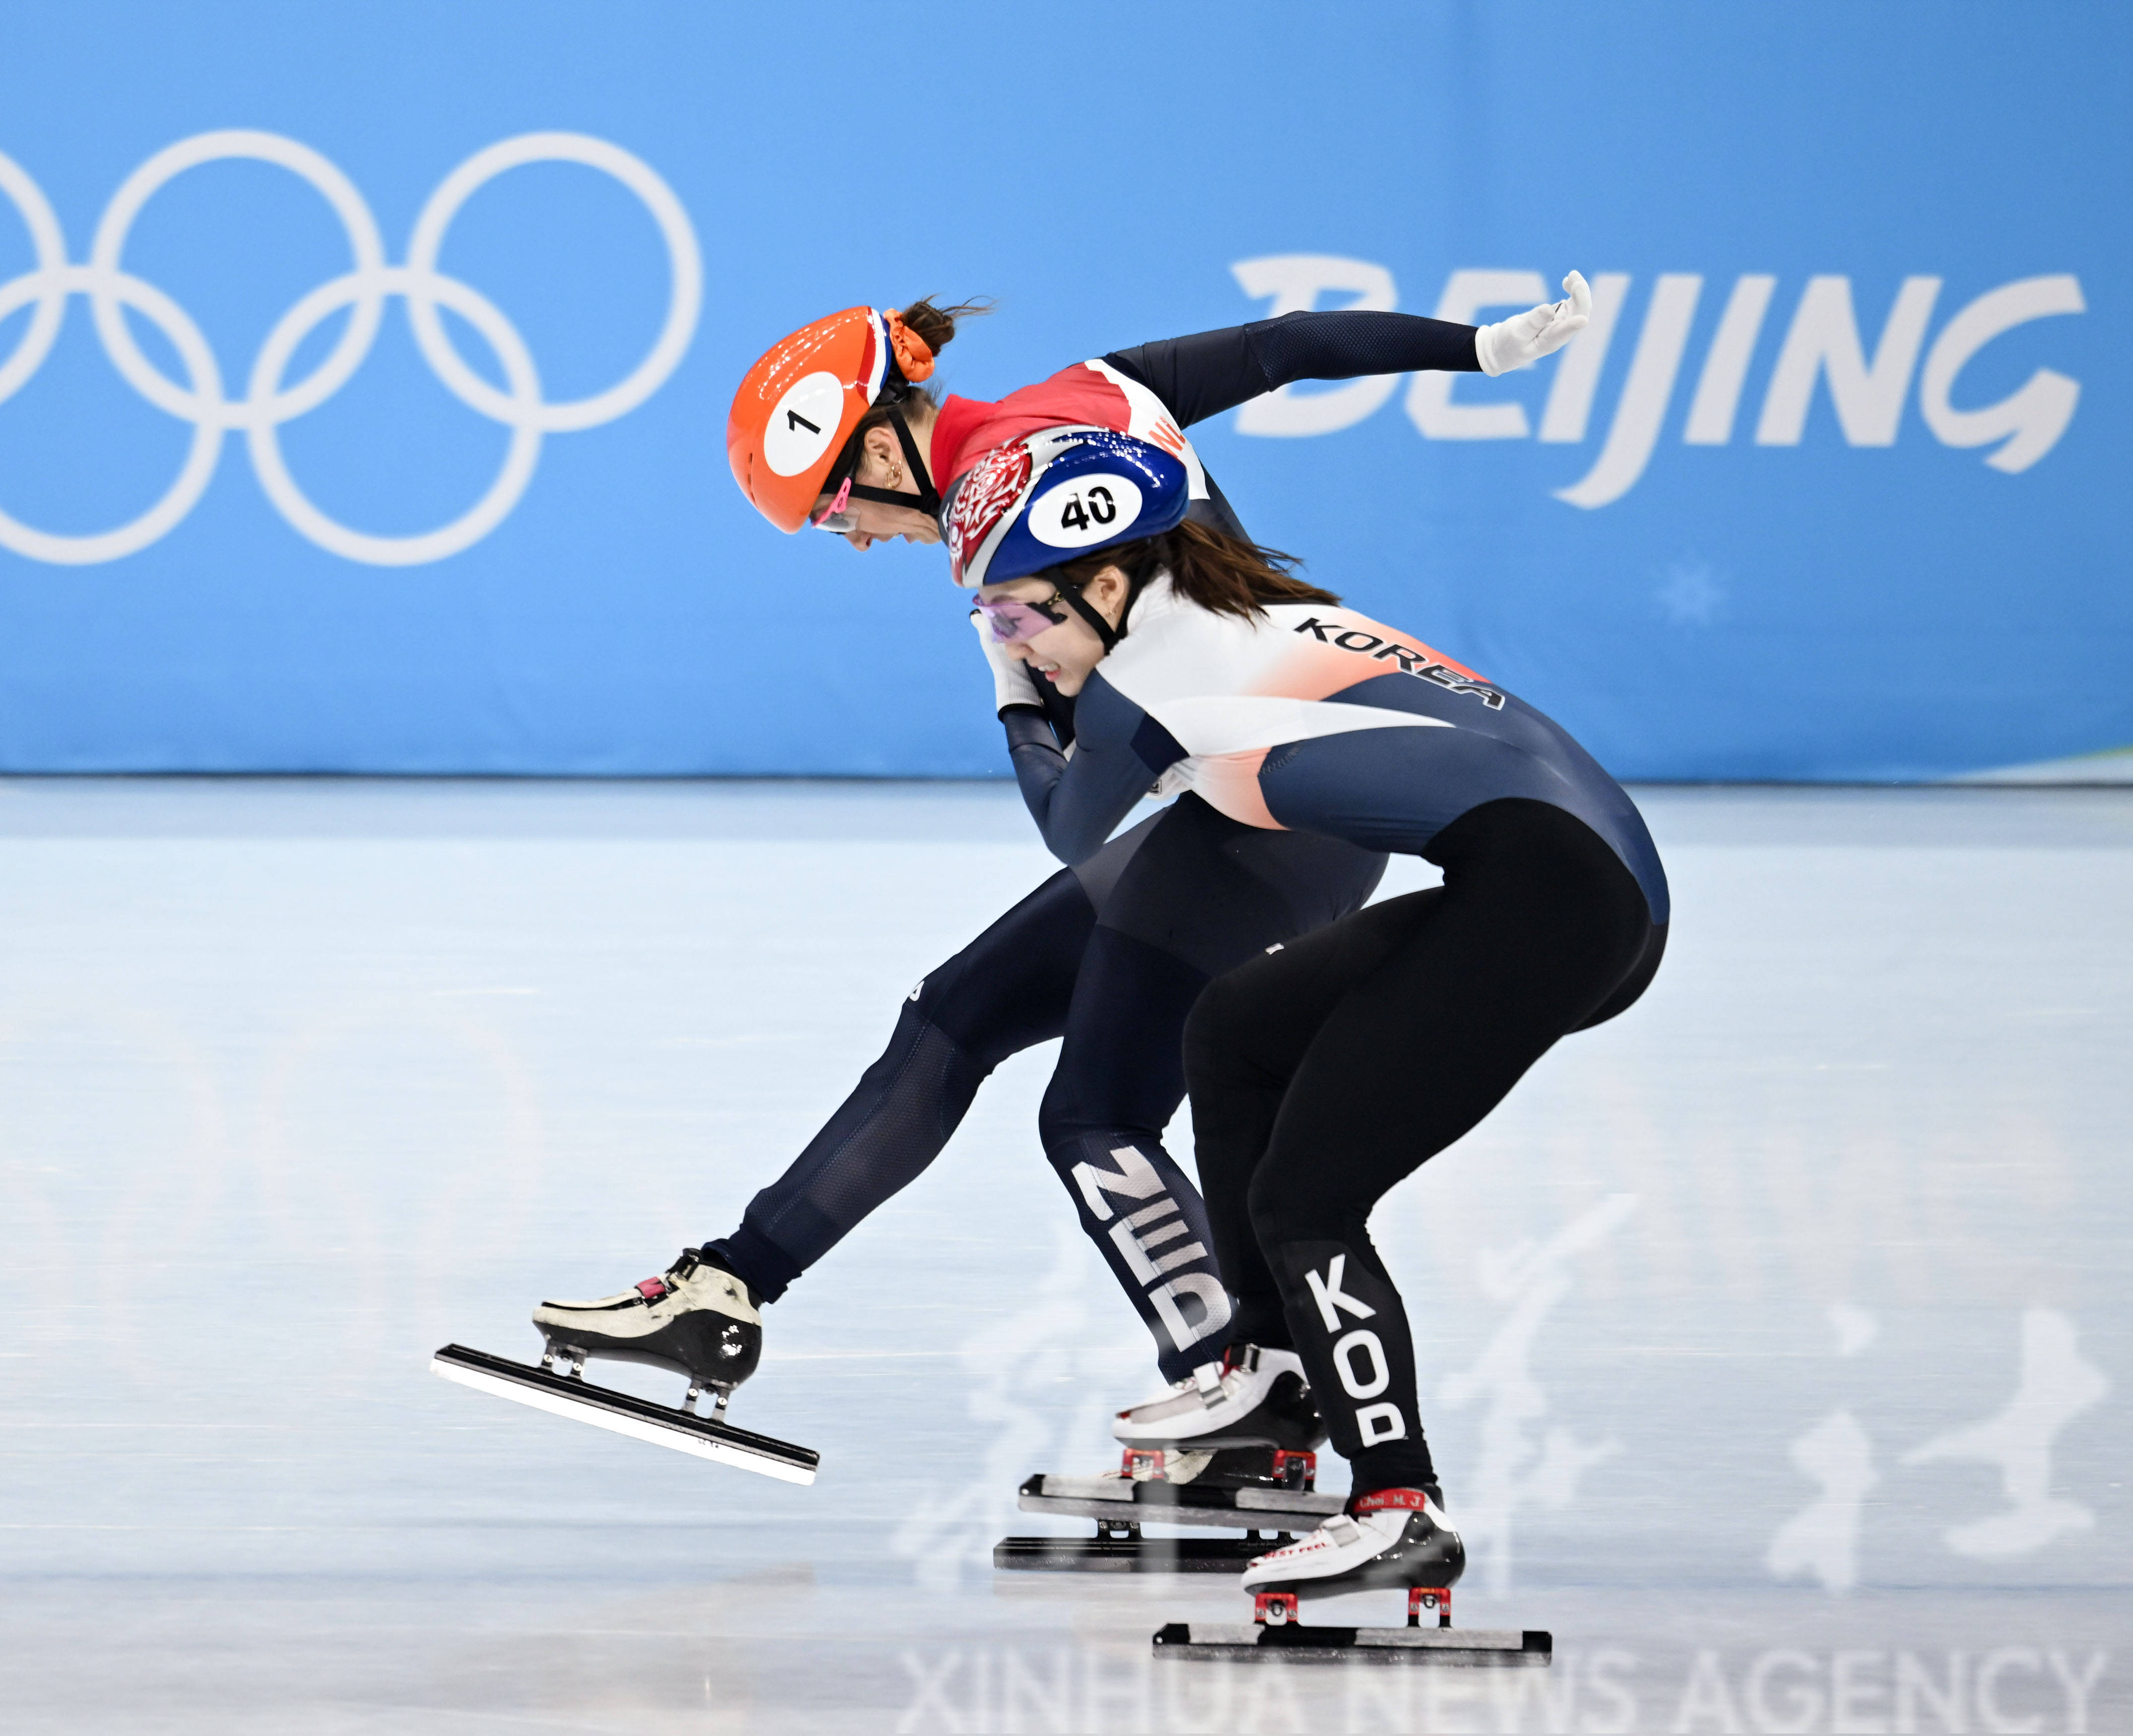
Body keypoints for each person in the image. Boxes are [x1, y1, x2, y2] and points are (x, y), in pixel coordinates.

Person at [531, 283, 1599, 1468]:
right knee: (955, 1015)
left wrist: (1014, 698)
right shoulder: (1092, 391)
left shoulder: (1007, 526)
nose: (857, 539)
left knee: (1097, 1117)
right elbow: (1283, 344)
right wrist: (1476, 349)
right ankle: (729, 1291)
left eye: (837, 513)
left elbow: (1075, 813)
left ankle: (1244, 1395)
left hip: (1281, 807)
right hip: (1238, 792)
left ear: (878, 449)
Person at [945, 416, 1666, 1601]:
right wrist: (1027, 643)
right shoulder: (1233, 615)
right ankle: (1274, 1373)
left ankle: (1398, 1505)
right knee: (1236, 1032)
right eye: (994, 626)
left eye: (1021, 619)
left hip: (1554, 901)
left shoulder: (1142, 678)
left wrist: (1013, 702)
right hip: (1580, 882)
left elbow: (1070, 826)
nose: (1017, 645)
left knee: (1305, 1197)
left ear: (1108, 585)